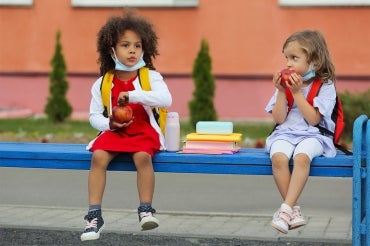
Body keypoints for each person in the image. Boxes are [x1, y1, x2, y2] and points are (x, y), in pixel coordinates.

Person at [80, 10, 172, 241]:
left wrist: (133, 96)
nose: (132, 50)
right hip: (116, 131)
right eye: (125, 45)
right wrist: (109, 124)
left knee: (142, 157)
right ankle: (94, 215)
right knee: (98, 157)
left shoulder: (150, 77)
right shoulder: (103, 82)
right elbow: (93, 116)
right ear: (111, 49)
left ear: (144, 49)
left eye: (137, 45)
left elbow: (165, 100)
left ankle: (145, 209)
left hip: (142, 130)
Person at [264, 30, 337, 234]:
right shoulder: (285, 84)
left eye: (294, 58)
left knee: (302, 157)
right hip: (286, 133)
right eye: (286, 58)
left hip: (314, 134)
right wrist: (281, 91)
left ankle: (284, 209)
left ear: (314, 61)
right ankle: (293, 211)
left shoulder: (325, 85)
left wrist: (296, 93)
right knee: (278, 157)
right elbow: (279, 119)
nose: (288, 63)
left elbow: (313, 119)